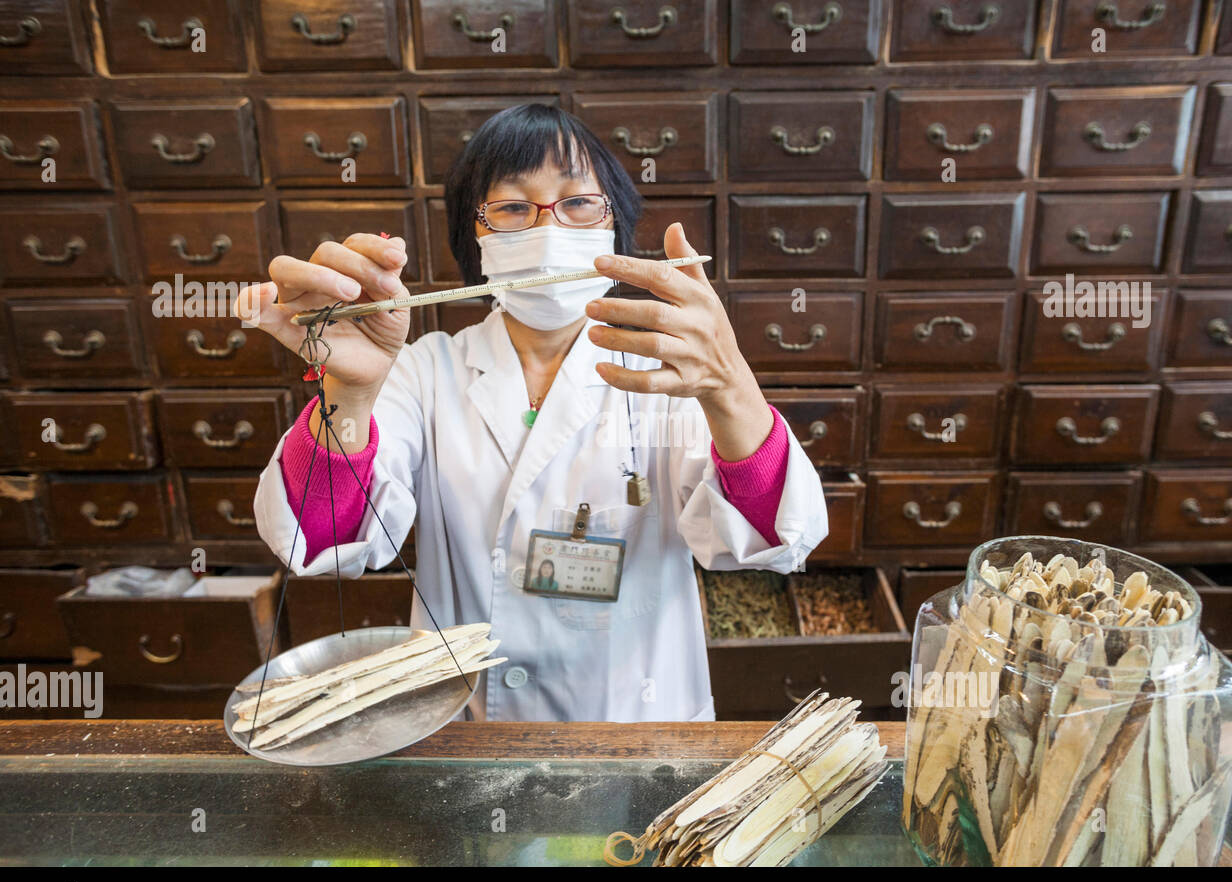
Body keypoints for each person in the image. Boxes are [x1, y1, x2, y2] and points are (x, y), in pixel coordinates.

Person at [239, 104, 828, 722]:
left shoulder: (669, 371)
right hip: (472, 739)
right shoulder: (422, 370)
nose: (549, 230)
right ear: (477, 237)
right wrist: (350, 395)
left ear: (614, 227)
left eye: (578, 203)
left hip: (636, 734)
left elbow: (772, 540)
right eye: (514, 207)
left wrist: (732, 383)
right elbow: (322, 539)